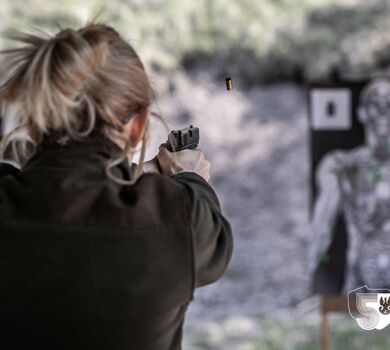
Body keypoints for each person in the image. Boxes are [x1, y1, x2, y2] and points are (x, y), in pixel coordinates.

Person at [0, 21, 233, 349]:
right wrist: (189, 176)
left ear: (34, 127)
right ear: (138, 127)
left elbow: (60, 193)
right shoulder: (181, 218)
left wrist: (137, 177)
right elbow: (213, 235)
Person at [308, 78, 390, 293]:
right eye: (377, 104)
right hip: (361, 282)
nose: (383, 112)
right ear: (363, 112)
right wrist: (313, 277)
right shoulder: (342, 165)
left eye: (389, 104)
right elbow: (322, 226)